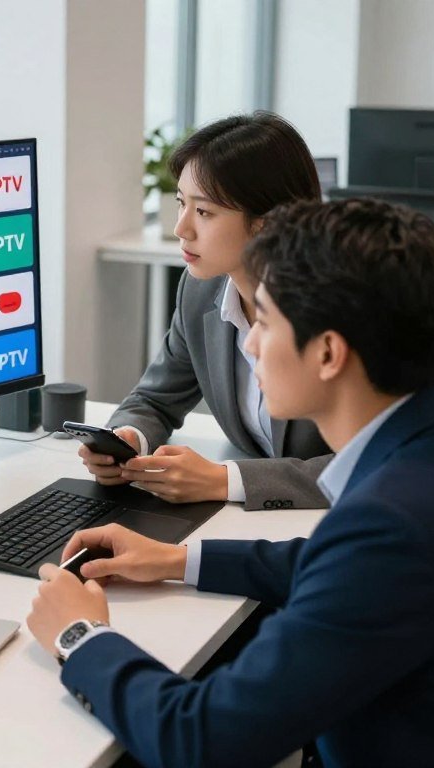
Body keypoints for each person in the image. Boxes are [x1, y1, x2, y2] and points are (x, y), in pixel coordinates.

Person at [28, 199, 434, 766]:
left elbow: (199, 739)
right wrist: (177, 560)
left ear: (329, 352)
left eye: (266, 322)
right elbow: (334, 563)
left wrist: (79, 637)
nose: (250, 344)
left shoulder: (391, 530)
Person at [83, 112, 332, 511]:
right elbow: (155, 398)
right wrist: (128, 440)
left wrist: (225, 480)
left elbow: (379, 464)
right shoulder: (202, 289)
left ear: (266, 224)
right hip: (257, 525)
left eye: (204, 212)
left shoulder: (343, 310)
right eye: (181, 203)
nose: (182, 228)